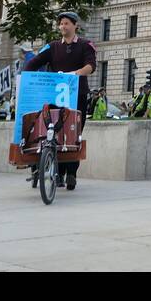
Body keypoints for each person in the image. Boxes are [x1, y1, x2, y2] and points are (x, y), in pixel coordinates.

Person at [26, 11, 97, 190]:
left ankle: (71, 173)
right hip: (55, 96)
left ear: (75, 26)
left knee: (73, 134)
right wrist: (27, 76)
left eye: (66, 23)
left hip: (77, 95)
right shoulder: (53, 46)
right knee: (51, 132)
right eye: (60, 24)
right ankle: (53, 170)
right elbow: (34, 62)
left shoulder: (85, 45)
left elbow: (90, 66)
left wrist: (73, 75)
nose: (62, 27)